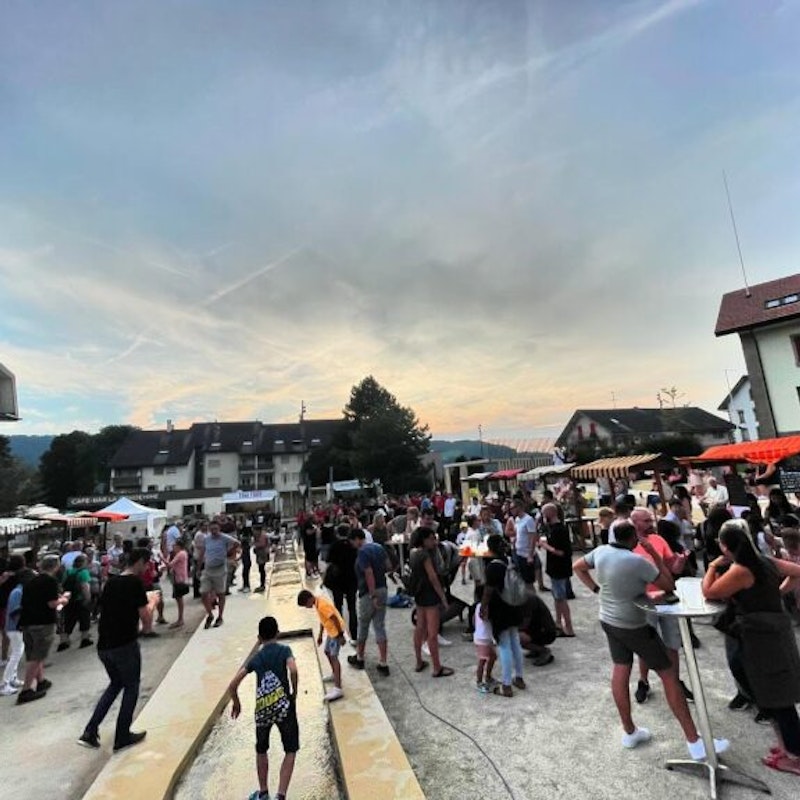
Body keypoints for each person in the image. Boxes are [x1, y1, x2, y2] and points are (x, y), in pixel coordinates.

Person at [574, 522, 728, 759]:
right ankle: (694, 741)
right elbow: (669, 585)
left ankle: (630, 731)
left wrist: (596, 588)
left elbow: (578, 566)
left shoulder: (601, 551)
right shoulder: (637, 561)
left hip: (609, 619)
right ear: (633, 539)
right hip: (634, 625)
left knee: (621, 669)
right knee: (668, 675)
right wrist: (655, 554)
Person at [702, 519, 800, 776]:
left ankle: (796, 756)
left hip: (760, 638)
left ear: (725, 547)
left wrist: (712, 566)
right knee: (773, 695)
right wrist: (777, 593)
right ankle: (787, 747)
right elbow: (797, 571)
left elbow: (710, 592)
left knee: (778, 698)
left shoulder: (741, 570)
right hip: (776, 634)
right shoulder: (765, 562)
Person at [78, 548, 158, 751]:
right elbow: (146, 619)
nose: (148, 567)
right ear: (140, 561)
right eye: (147, 563)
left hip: (105, 645)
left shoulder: (111, 582)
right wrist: (153, 601)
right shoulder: (135, 583)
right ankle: (122, 735)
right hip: (125, 644)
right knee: (131, 687)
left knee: (115, 684)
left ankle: (90, 730)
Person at [229, 616, 299, 800]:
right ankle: (281, 795)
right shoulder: (284, 650)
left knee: (261, 750)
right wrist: (294, 693)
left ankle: (263, 792)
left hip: (262, 711)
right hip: (284, 708)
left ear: (259, 637)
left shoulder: (257, 657)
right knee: (290, 749)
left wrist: (236, 702)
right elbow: (293, 670)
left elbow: (233, 683)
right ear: (278, 633)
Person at [628, 507, 691, 704]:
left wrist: (680, 563)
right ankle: (643, 680)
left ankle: (675, 680)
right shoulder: (627, 545)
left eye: (651, 520)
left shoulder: (658, 539)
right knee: (646, 644)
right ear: (635, 523)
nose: (651, 524)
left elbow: (671, 566)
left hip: (666, 597)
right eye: (646, 521)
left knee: (672, 641)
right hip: (644, 600)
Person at [17, 554, 70, 704]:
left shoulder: (31, 580)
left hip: (27, 622)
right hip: (42, 622)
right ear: (56, 566)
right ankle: (27, 689)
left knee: (33, 653)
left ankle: (40, 680)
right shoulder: (50, 581)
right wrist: (64, 599)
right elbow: (52, 603)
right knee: (38, 655)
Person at [481, 534, 525, 698]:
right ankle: (518, 677)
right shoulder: (510, 561)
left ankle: (506, 684)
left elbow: (488, 591)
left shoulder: (493, 567)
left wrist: (483, 607)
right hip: (513, 605)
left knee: (504, 645)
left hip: (499, 608)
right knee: (515, 642)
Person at [408, 527, 454, 679]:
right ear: (425, 539)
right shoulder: (425, 555)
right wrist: (443, 597)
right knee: (432, 633)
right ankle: (437, 667)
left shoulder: (414, 553)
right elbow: (433, 578)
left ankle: (419, 661)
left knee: (420, 628)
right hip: (430, 595)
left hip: (419, 594)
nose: (434, 542)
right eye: (432, 539)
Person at [346, 528, 390, 675]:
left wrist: (372, 594)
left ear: (357, 539)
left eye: (352, 541)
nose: (352, 544)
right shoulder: (378, 547)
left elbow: (368, 572)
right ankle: (383, 662)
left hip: (368, 593)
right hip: (383, 588)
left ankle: (360, 657)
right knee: (379, 626)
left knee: (363, 625)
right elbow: (388, 566)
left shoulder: (363, 552)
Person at [297, 589, 345, 702]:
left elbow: (334, 618)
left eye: (305, 605)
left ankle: (338, 688)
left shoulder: (322, 605)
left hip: (336, 632)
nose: (306, 607)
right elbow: (323, 620)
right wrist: (320, 635)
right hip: (331, 631)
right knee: (327, 652)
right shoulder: (317, 604)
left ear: (309, 600)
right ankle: (334, 674)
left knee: (334, 657)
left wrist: (340, 635)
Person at [539, 503, 574, 637]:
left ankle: (568, 627)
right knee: (557, 597)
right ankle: (558, 623)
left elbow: (562, 552)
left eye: (544, 514)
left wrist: (545, 546)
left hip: (560, 568)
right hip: (554, 568)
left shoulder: (560, 530)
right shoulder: (552, 528)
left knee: (561, 598)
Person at [197, 520, 238, 629]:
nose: (214, 531)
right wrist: (198, 568)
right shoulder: (207, 539)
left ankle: (220, 616)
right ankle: (210, 614)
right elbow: (202, 553)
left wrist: (229, 553)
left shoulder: (224, 538)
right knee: (203, 592)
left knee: (220, 594)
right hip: (208, 568)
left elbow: (237, 543)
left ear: (219, 529)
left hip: (220, 569)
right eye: (212, 529)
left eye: (216, 529)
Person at [0, 565, 33, 696]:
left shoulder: (18, 591)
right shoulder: (18, 593)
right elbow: (15, 612)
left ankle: (12, 678)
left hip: (14, 627)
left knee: (17, 652)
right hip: (15, 627)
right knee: (16, 654)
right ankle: (5, 683)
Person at [325, 524, 358, 642]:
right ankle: (354, 635)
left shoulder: (334, 546)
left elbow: (328, 561)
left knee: (338, 607)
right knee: (352, 608)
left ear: (337, 533)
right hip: (351, 580)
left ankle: (340, 633)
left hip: (337, 581)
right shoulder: (353, 546)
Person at [58, 553, 94, 651]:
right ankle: (84, 638)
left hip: (69, 599)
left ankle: (64, 640)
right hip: (80, 599)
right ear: (83, 563)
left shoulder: (68, 571)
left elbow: (63, 585)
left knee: (69, 619)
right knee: (84, 619)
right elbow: (85, 587)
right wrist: (88, 599)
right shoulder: (84, 572)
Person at [510, 498, 538, 589]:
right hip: (518, 552)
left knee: (528, 582)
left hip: (526, 555)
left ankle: (532, 601)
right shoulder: (517, 519)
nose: (511, 510)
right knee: (521, 580)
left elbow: (532, 538)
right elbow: (517, 533)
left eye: (513, 508)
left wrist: (530, 555)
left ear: (519, 507)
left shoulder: (528, 520)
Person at [473, 601, 497, 692]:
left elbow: (474, 619)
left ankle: (488, 677)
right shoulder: (485, 607)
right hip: (483, 638)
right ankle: (479, 682)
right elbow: (486, 618)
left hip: (485, 637)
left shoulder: (478, 605)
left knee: (493, 657)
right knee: (482, 660)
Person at [166, 539, 189, 629]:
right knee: (179, 599)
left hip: (179, 578)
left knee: (179, 599)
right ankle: (180, 618)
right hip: (180, 577)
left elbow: (170, 564)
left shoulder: (180, 554)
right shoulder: (183, 553)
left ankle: (180, 619)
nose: (173, 547)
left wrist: (162, 557)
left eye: (174, 545)